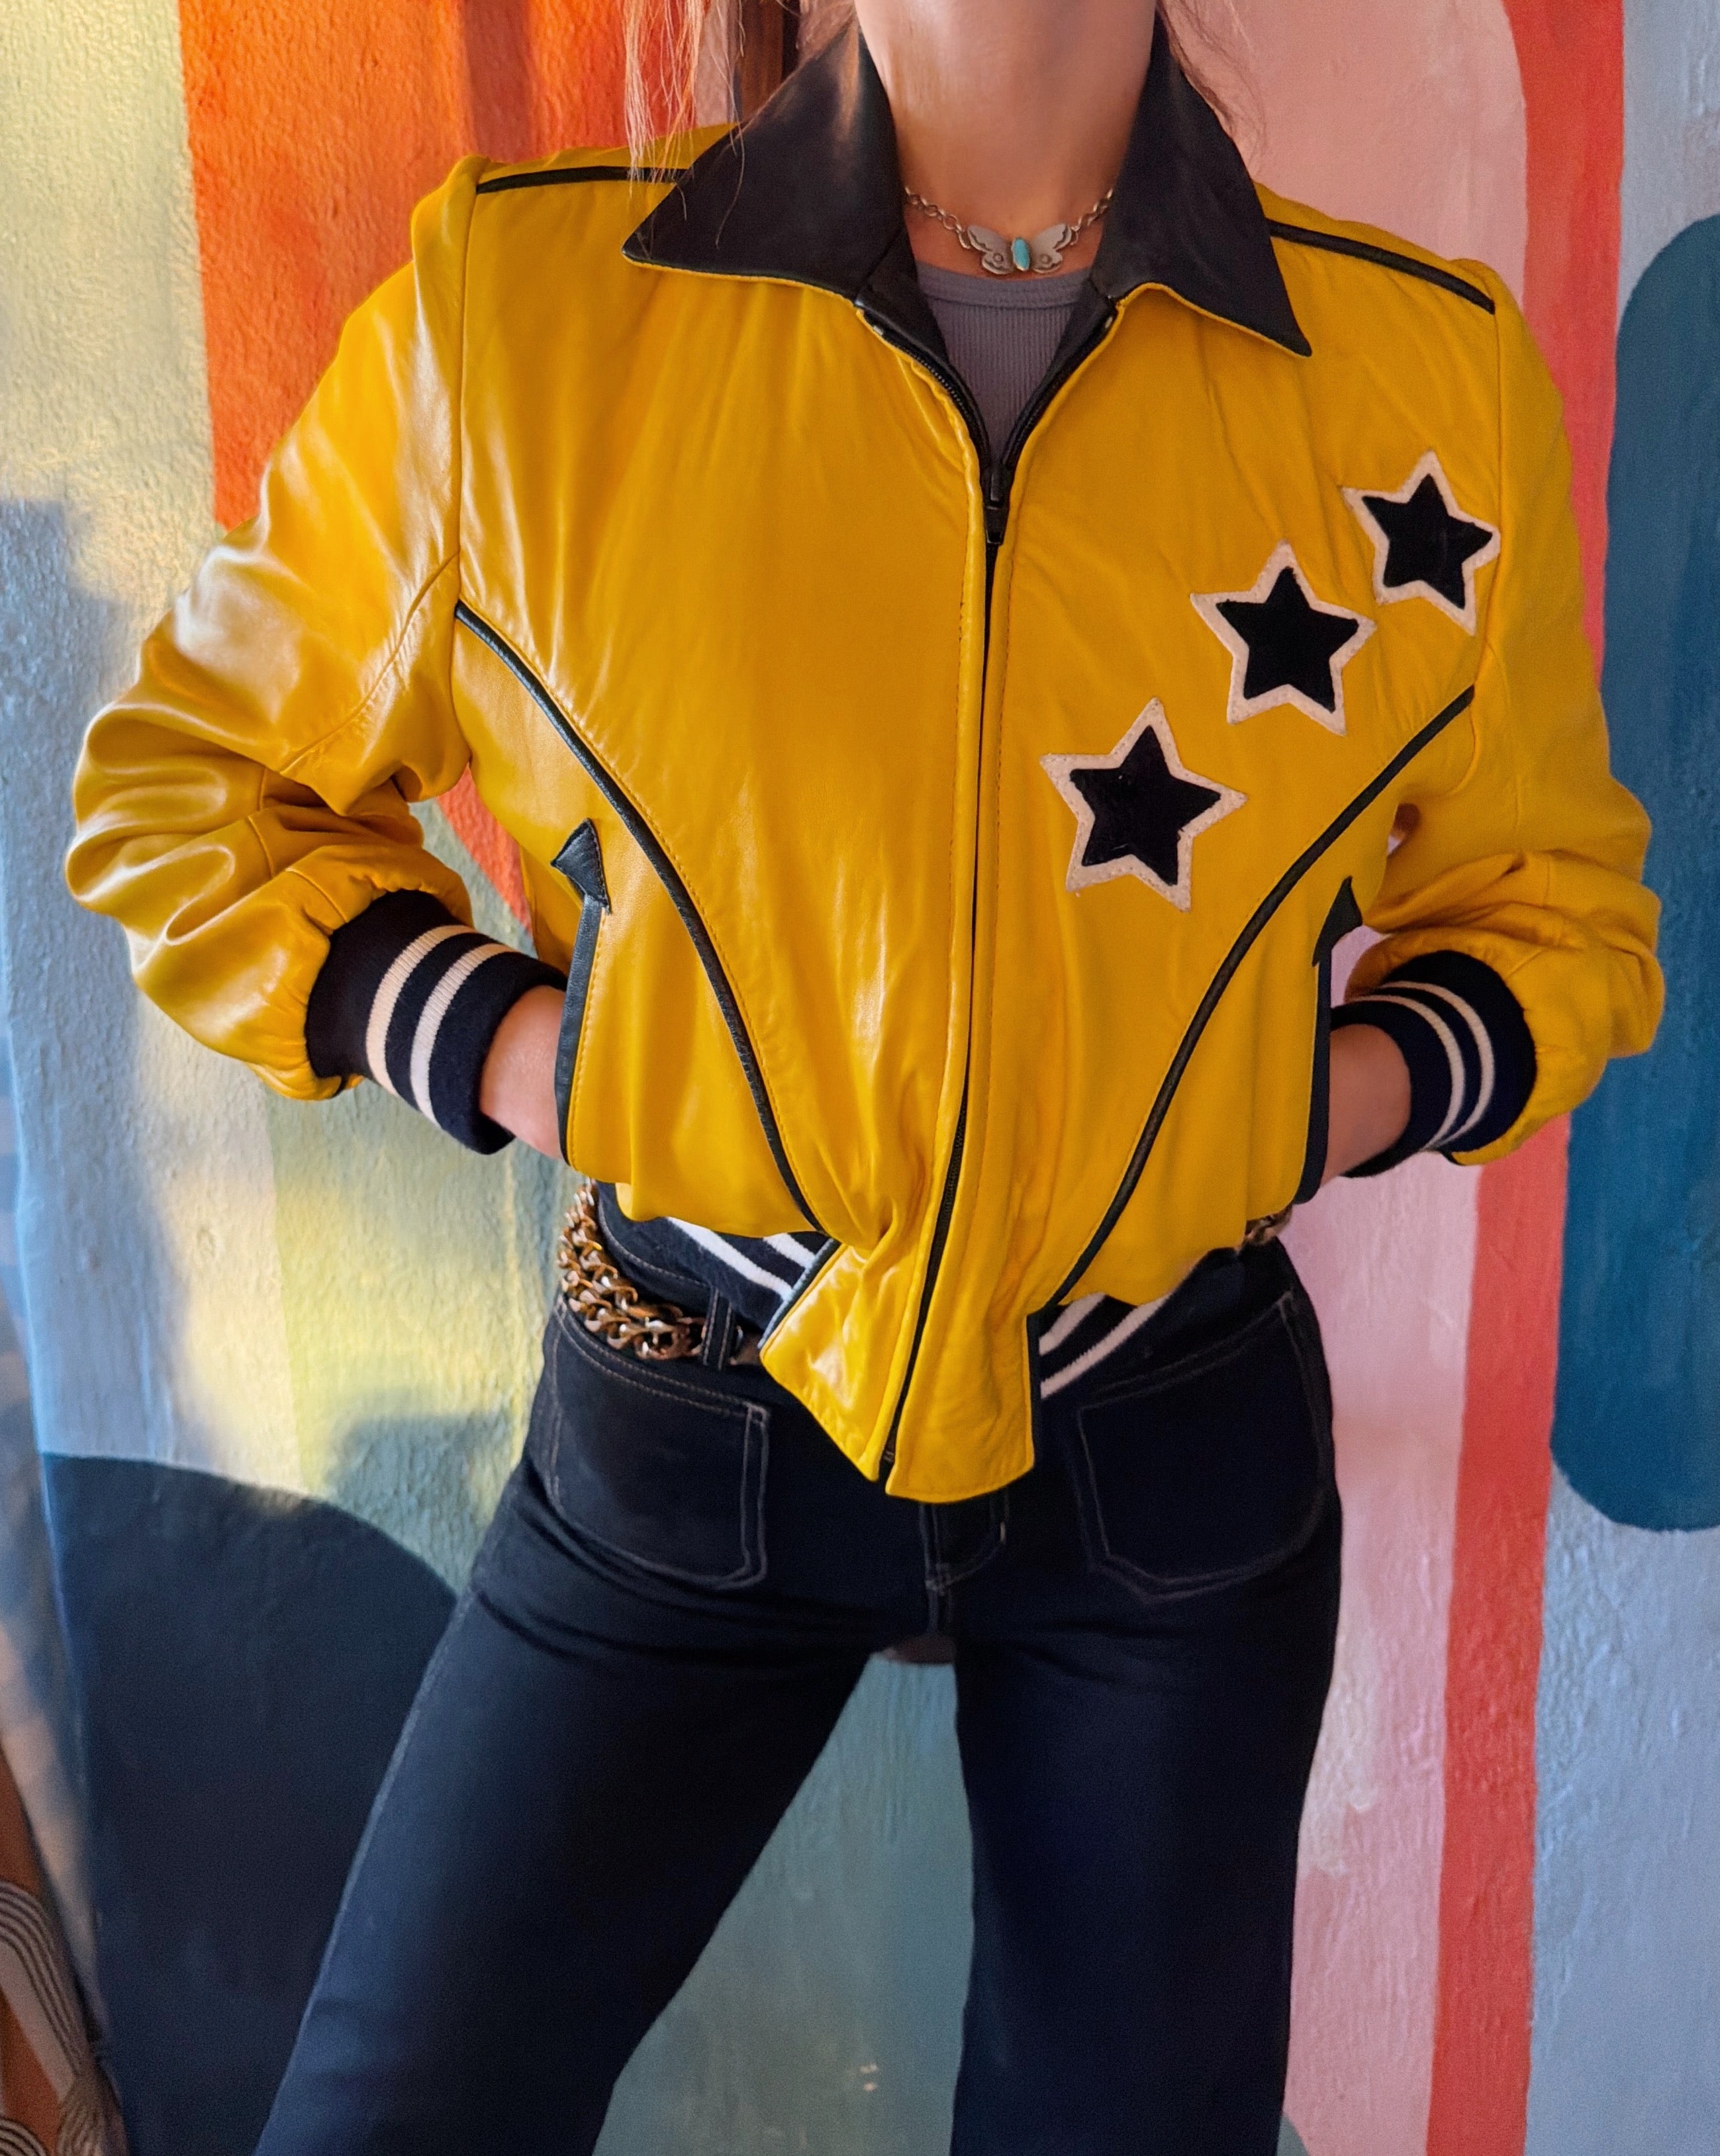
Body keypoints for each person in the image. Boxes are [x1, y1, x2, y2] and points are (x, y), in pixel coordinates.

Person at [67, 0, 1660, 2147]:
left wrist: (1307, 1101)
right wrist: (556, 1064)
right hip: (688, 1413)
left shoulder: (1418, 375)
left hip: (1168, 1454)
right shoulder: (523, 310)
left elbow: (1556, 914)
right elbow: (194, 796)